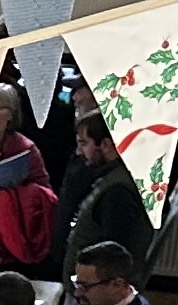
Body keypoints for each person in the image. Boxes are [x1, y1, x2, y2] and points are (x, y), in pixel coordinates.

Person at [0, 81, 59, 273]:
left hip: (5, 247)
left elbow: (45, 196)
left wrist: (7, 199)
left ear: (10, 114)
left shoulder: (24, 149)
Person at [57, 96, 158, 277]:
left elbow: (113, 258)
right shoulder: (113, 178)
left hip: (94, 298)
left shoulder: (117, 193)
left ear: (106, 144)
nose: (79, 152)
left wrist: (86, 297)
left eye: (84, 143)